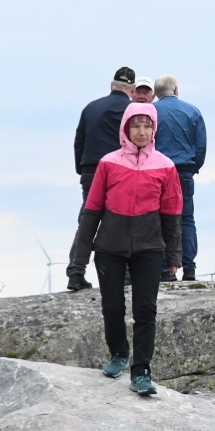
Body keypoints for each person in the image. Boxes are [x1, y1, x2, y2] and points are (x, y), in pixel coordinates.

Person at [69, 103, 183, 396]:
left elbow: (172, 214)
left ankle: (142, 371)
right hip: (110, 246)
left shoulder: (166, 166)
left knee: (145, 309)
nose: (142, 131)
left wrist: (174, 256)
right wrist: (79, 261)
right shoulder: (108, 162)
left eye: (147, 126)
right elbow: (91, 210)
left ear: (154, 129)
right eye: (136, 126)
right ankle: (119, 353)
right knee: (113, 306)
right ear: (125, 129)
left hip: (149, 247)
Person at [67, 67, 135, 291]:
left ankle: (76, 271)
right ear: (132, 89)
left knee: (88, 220)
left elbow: (79, 142)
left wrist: (83, 169)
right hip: (121, 171)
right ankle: (125, 275)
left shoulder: (91, 107)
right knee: (123, 220)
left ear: (111, 85)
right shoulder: (133, 110)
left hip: (91, 169)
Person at [152, 76, 207, 281]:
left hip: (157, 171)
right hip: (184, 170)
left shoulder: (151, 111)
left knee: (160, 219)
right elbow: (200, 145)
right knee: (186, 218)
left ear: (156, 92)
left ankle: (166, 267)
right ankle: (189, 266)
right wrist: (194, 166)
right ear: (176, 89)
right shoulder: (192, 111)